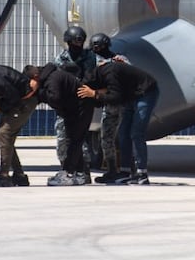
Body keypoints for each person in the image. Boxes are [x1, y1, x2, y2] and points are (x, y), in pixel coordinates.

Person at [77, 60, 159, 185]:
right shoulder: (103, 74)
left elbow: (115, 97)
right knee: (123, 133)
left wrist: (94, 94)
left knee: (136, 133)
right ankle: (125, 172)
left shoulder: (109, 73)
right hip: (131, 96)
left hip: (146, 92)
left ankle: (142, 173)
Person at [25, 62, 95, 186]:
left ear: (35, 77)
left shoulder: (52, 79)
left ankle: (68, 173)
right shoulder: (50, 77)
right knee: (73, 140)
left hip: (81, 108)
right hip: (74, 109)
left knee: (75, 140)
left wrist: (39, 94)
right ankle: (79, 173)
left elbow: (55, 98)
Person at [51, 26, 97, 184]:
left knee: (79, 138)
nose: (78, 45)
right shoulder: (62, 58)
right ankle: (66, 169)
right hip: (66, 103)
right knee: (63, 138)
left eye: (80, 42)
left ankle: (83, 171)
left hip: (83, 101)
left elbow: (90, 77)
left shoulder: (89, 56)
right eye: (75, 42)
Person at [87, 32, 130, 183]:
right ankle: (112, 170)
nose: (96, 50)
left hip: (123, 105)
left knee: (124, 136)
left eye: (98, 47)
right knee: (106, 138)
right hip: (109, 105)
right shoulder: (92, 61)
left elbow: (131, 74)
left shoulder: (120, 60)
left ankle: (127, 169)